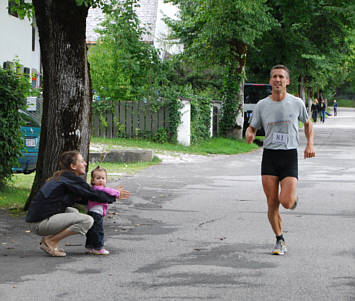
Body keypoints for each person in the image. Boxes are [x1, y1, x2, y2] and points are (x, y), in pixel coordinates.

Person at [246, 65, 315, 255]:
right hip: (269, 156)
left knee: (285, 201)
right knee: (271, 202)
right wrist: (249, 133)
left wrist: (310, 144)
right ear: (270, 81)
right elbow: (252, 127)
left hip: (289, 155)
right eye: (274, 76)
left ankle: (292, 199)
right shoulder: (262, 105)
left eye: (281, 77)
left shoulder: (297, 103)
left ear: (287, 81)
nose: (278, 79)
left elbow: (308, 124)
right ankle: (279, 239)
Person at [25, 151, 123, 257]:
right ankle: (51, 241)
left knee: (73, 212)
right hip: (40, 224)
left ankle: (49, 240)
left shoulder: (64, 177)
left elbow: (85, 197)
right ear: (73, 166)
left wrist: (109, 195)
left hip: (38, 221)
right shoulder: (70, 179)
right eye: (81, 161)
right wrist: (114, 195)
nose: (85, 163)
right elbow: (93, 194)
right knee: (88, 220)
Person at [85, 166, 130, 255]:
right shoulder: (97, 189)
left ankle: (91, 246)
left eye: (103, 178)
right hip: (96, 214)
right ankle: (98, 247)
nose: (101, 180)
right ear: (93, 181)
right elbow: (107, 190)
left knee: (93, 231)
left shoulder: (97, 190)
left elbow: (107, 191)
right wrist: (117, 193)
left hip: (94, 213)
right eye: (98, 178)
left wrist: (115, 191)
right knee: (99, 231)